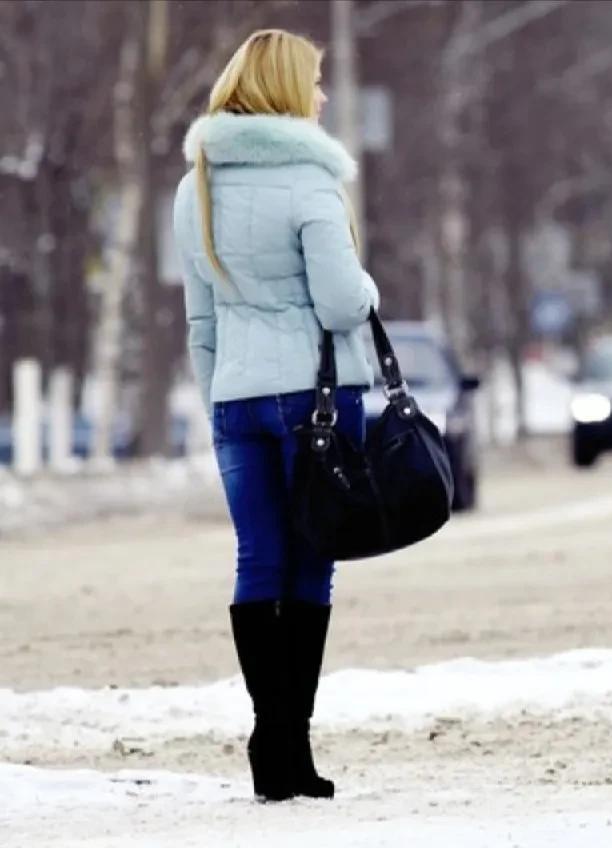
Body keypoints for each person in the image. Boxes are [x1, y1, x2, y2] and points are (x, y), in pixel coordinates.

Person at [172, 29, 379, 802]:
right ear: (289, 91)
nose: (323, 95)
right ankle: (290, 743)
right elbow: (339, 302)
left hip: (237, 401)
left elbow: (201, 324)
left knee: (259, 560)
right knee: (312, 564)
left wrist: (220, 399)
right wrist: (371, 292)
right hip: (318, 402)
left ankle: (272, 746)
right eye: (315, 82)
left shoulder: (193, 186)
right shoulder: (311, 182)